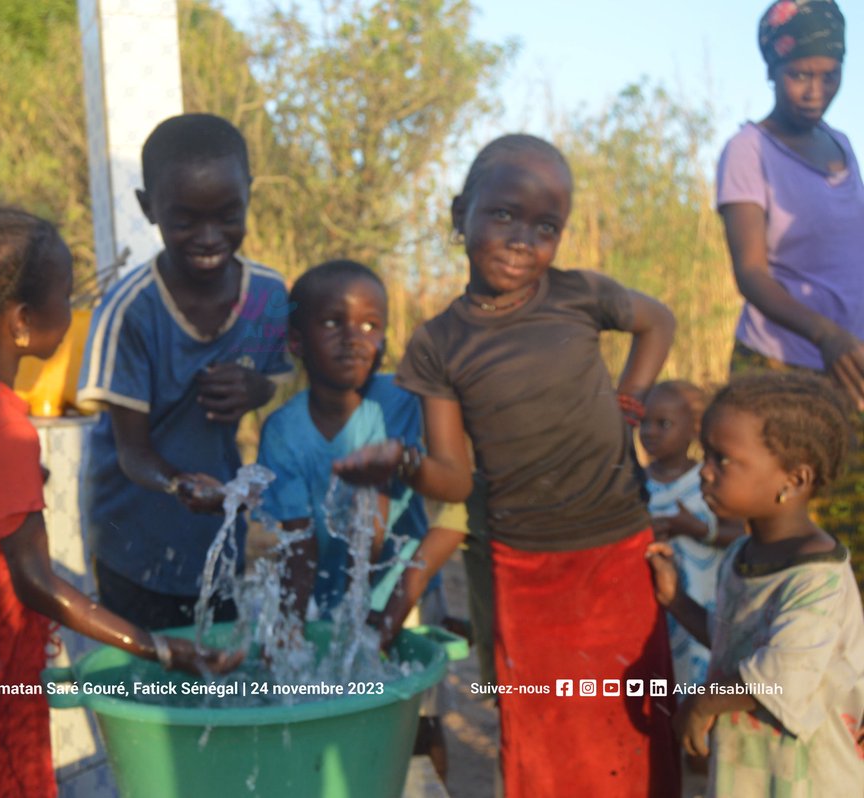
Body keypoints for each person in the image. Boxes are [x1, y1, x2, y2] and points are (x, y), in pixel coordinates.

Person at [334, 134, 680, 797]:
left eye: (546, 226)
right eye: (503, 216)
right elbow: (456, 479)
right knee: (542, 746)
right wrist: (401, 462)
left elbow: (657, 321)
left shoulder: (579, 296)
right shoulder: (440, 342)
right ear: (458, 212)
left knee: (634, 731)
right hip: (524, 567)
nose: (524, 239)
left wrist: (627, 405)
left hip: (616, 551)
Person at [0, 208, 240, 798]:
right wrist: (161, 648)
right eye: (65, 296)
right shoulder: (3, 429)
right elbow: (37, 582)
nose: (72, 311)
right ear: (20, 321)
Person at [76, 113, 293, 631]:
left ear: (249, 196)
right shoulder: (131, 309)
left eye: (227, 215)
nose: (209, 236)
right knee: (152, 680)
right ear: (149, 208)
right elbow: (131, 452)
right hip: (133, 532)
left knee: (216, 676)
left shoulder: (267, 295)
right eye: (185, 220)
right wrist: (177, 485)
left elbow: (279, 387)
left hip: (218, 535)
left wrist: (257, 389)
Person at [254, 259, 456, 778]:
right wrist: (291, 623)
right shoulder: (282, 431)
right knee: (334, 720)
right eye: (332, 323)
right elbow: (298, 544)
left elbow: (393, 518)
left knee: (419, 722)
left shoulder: (400, 404)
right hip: (327, 596)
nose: (354, 338)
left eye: (370, 324)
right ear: (295, 341)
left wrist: (383, 613)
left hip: (404, 589)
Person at [646, 371, 864, 797]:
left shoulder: (816, 578)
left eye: (722, 459)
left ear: (794, 480)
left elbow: (779, 676)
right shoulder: (743, 555)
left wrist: (701, 701)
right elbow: (731, 641)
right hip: (750, 771)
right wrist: (675, 599)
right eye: (704, 455)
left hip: (811, 780)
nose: (705, 473)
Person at [717, 0, 864, 588]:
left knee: (849, 533)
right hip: (780, 370)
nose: (815, 89)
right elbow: (751, 273)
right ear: (772, 70)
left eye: (830, 74)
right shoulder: (748, 151)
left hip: (845, 372)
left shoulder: (843, 147)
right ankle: (769, 675)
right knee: (789, 542)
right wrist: (825, 334)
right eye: (800, 74)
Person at [641, 380, 743, 690]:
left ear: (695, 427)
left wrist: (695, 528)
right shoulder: (636, 483)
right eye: (644, 422)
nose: (650, 432)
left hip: (703, 611)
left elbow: (737, 534)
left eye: (664, 423)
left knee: (696, 682)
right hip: (654, 613)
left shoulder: (708, 480)